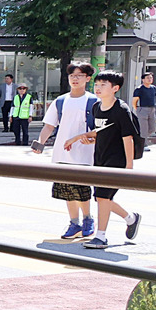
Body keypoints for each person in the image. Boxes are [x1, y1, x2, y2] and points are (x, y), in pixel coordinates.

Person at [61, 70, 143, 250]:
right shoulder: (97, 107)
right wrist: (80, 138)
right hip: (99, 158)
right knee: (102, 198)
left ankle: (101, 236)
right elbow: (101, 132)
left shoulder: (121, 109)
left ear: (115, 88)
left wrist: (129, 166)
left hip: (116, 160)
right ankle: (131, 218)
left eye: (103, 85)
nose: (98, 88)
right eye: (96, 84)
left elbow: (127, 137)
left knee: (102, 196)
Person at [33, 63, 97, 240]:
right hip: (62, 153)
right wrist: (40, 143)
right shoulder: (60, 101)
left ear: (87, 78)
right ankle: (74, 222)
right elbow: (49, 125)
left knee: (82, 190)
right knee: (67, 191)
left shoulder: (93, 101)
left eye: (79, 75)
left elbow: (100, 128)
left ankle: (87, 219)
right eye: (72, 76)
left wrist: (90, 138)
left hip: (85, 153)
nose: (75, 79)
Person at [132, 72, 156, 140]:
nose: (150, 79)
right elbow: (134, 101)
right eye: (148, 78)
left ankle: (139, 139)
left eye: (151, 78)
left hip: (152, 109)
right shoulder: (139, 89)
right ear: (143, 80)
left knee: (152, 129)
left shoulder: (153, 88)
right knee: (144, 129)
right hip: (142, 109)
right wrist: (138, 109)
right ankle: (144, 145)